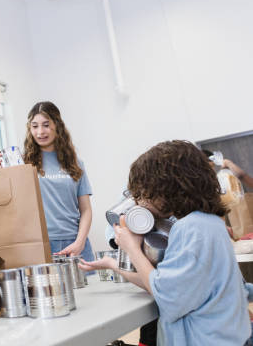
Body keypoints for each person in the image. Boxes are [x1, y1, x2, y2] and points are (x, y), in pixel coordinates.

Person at [80, 140, 251, 345]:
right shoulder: (209, 222)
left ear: (165, 188)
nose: (141, 201)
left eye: (145, 193)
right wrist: (114, 265)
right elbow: (167, 283)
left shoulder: (190, 229)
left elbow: (167, 296)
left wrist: (132, 248)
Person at [0, 101, 94, 261]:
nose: (40, 132)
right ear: (30, 128)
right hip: (38, 244)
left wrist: (80, 242)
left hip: (75, 243)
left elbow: (86, 210)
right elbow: (11, 202)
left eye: (46, 125)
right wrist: (3, 173)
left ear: (57, 125)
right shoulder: (22, 162)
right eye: (35, 126)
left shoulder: (76, 163)